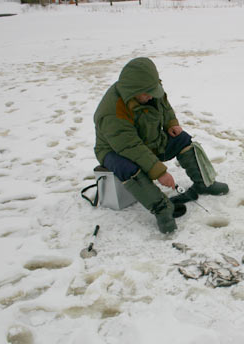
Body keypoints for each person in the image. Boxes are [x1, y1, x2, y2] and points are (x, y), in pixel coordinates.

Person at [93, 57, 229, 234]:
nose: (151, 96)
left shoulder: (148, 90)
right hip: (116, 150)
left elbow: (164, 105)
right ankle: (161, 208)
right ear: (134, 90)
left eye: (153, 90)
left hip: (148, 139)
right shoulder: (112, 112)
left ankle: (203, 183)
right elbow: (131, 147)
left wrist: (171, 123)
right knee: (128, 167)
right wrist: (160, 172)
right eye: (147, 93)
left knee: (183, 140)